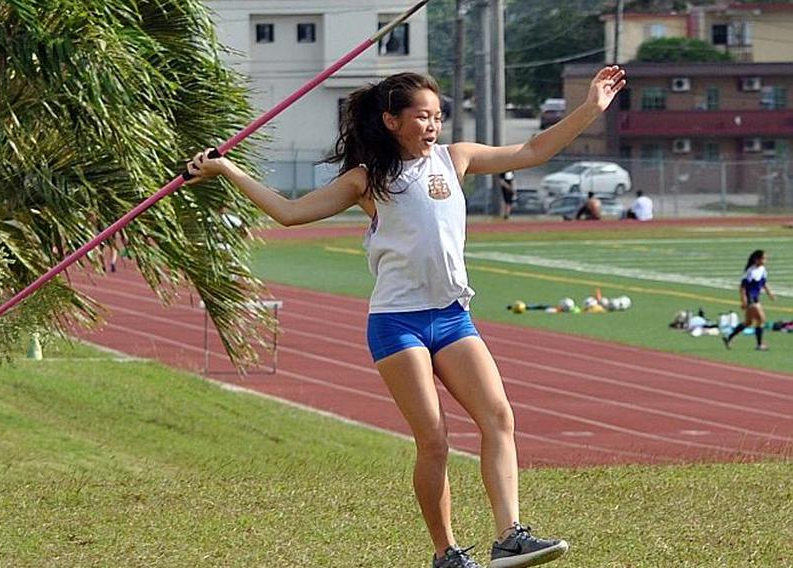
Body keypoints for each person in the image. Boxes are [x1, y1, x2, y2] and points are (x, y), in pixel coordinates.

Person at [186, 66, 626, 568]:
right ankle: (447, 553)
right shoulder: (366, 179)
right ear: (392, 120)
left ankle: (510, 535)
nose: (433, 125)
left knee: (499, 417)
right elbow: (288, 213)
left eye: (438, 116)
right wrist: (227, 170)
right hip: (398, 321)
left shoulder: (454, 158)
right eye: (423, 116)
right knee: (435, 439)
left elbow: (533, 152)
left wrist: (591, 108)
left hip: (453, 315)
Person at [723, 249, 775, 351]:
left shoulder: (763, 270)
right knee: (761, 319)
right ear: (757, 259)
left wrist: (770, 293)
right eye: (763, 258)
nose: (765, 260)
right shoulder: (750, 272)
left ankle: (729, 337)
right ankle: (759, 345)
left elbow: (764, 283)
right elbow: (742, 287)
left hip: (756, 298)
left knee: (748, 322)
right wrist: (744, 301)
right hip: (750, 299)